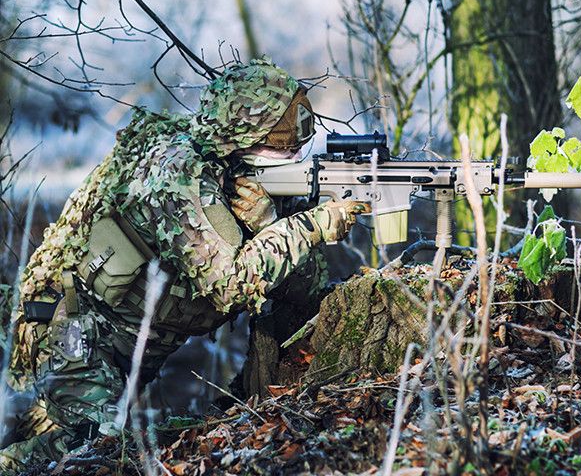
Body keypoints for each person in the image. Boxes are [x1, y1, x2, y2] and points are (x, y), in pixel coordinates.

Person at [0, 58, 368, 472]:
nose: (293, 157)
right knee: (88, 452)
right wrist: (309, 226)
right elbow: (228, 282)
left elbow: (305, 291)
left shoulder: (240, 176)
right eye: (282, 148)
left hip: (136, 348)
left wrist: (270, 224)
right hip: (80, 334)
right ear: (240, 138)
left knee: (72, 438)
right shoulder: (178, 173)